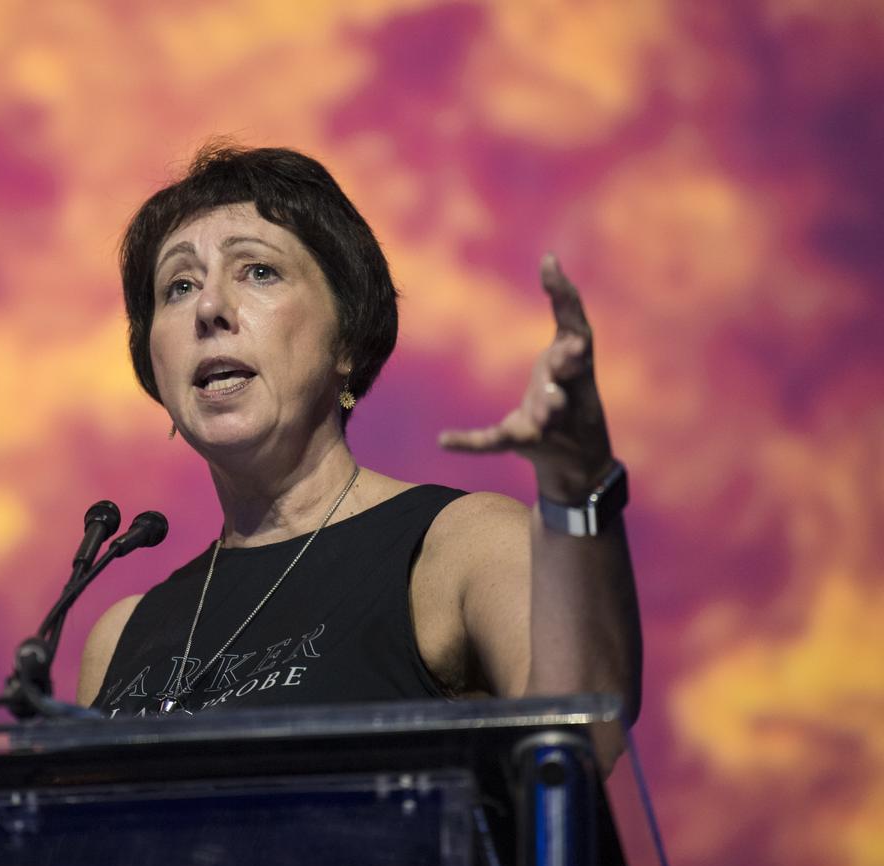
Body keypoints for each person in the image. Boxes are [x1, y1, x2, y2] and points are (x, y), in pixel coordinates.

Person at [76, 144, 640, 766]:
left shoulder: (459, 546)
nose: (209, 309)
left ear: (347, 338)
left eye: (258, 272)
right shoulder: (120, 636)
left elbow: (584, 736)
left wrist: (578, 488)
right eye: (179, 286)